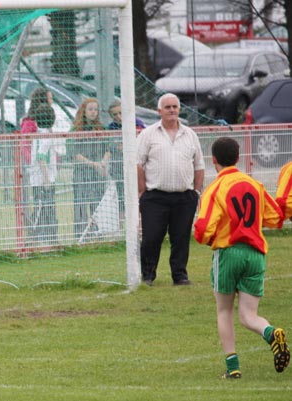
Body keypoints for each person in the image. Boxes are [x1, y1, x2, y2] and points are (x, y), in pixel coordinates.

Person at [194, 137, 289, 379]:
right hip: (256, 254)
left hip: (228, 252)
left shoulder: (215, 188)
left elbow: (203, 229)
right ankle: (271, 332)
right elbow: (275, 217)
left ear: (213, 160)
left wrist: (207, 238)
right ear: (238, 158)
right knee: (249, 316)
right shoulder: (254, 184)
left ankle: (232, 367)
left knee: (224, 311)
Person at [136, 93, 204, 286]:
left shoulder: (190, 135)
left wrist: (196, 193)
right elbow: (138, 164)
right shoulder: (148, 134)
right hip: (155, 196)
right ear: (159, 111)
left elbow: (199, 166)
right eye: (168, 107)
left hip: (184, 197)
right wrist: (142, 192)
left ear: (179, 109)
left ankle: (180, 275)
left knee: (181, 238)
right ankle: (148, 275)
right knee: (151, 238)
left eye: (175, 106)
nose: (172, 110)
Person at [70, 97, 110, 239]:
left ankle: (96, 234)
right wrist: (93, 164)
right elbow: (74, 153)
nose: (93, 112)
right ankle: (80, 235)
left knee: (97, 204)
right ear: (84, 111)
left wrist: (103, 163)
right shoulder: (75, 129)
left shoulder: (101, 128)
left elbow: (108, 147)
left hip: (98, 174)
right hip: (82, 173)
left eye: (96, 109)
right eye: (90, 109)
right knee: (80, 204)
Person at [107, 100, 145, 223]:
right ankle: (124, 223)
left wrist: (128, 146)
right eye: (115, 115)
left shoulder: (137, 123)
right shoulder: (111, 128)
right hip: (118, 168)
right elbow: (111, 146)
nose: (118, 116)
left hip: (137, 166)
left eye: (120, 113)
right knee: (122, 197)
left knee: (139, 194)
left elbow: (143, 140)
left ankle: (140, 222)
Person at [29, 104, 58, 243]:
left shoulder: (39, 134)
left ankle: (40, 237)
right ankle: (45, 238)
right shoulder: (46, 136)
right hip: (44, 180)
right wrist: (46, 180)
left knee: (42, 208)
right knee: (45, 209)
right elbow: (41, 157)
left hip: (36, 179)